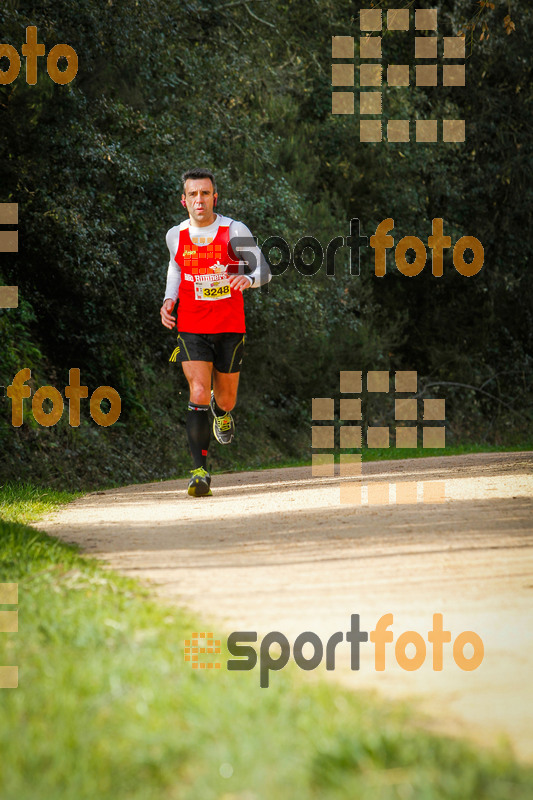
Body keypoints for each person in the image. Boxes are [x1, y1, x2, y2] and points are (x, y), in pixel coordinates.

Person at [160, 168, 271, 497]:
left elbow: (263, 268)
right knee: (197, 392)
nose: (199, 200)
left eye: (205, 193)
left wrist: (248, 279)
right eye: (193, 194)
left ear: (214, 198)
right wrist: (170, 298)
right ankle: (199, 473)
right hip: (191, 325)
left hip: (229, 326)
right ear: (184, 200)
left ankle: (221, 414)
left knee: (225, 398)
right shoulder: (175, 235)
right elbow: (176, 266)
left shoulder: (234, 231)